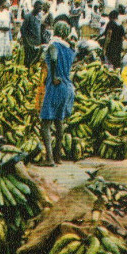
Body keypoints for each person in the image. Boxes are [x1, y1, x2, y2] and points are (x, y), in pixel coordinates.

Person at [37, 22, 76, 165]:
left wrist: (53, 76)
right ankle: (58, 156)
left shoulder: (54, 45)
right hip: (67, 86)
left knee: (45, 123)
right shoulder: (70, 49)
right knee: (59, 122)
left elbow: (53, 58)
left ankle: (49, 158)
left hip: (56, 86)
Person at [20, 0, 45, 66]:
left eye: (41, 9)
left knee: (35, 63)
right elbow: (23, 30)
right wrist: (27, 43)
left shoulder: (39, 17)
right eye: (39, 8)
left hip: (37, 43)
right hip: (30, 43)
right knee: (28, 62)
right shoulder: (28, 16)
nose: (40, 10)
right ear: (34, 7)